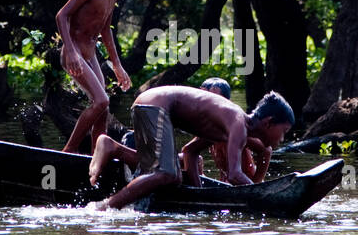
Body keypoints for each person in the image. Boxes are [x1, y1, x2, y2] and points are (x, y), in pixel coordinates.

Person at [88, 87, 295, 210]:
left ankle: (113, 147)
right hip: (154, 105)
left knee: (174, 177)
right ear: (268, 123)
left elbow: (190, 152)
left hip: (153, 105)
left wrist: (198, 192)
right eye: (283, 131)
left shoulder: (233, 125)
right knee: (166, 173)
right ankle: (105, 207)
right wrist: (264, 196)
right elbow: (234, 175)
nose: (283, 138)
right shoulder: (238, 125)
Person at [55, 0, 148, 153]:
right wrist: (70, 51)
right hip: (75, 53)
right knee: (101, 101)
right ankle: (68, 151)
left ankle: (98, 155)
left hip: (90, 54)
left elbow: (106, 30)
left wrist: (117, 65)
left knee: (103, 108)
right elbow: (62, 15)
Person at [188, 77, 260, 184]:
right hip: (226, 183)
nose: (211, 106)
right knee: (195, 160)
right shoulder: (207, 128)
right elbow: (187, 151)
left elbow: (267, 151)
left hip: (246, 182)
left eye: (216, 101)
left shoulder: (235, 127)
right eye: (207, 101)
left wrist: (256, 184)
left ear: (227, 103)